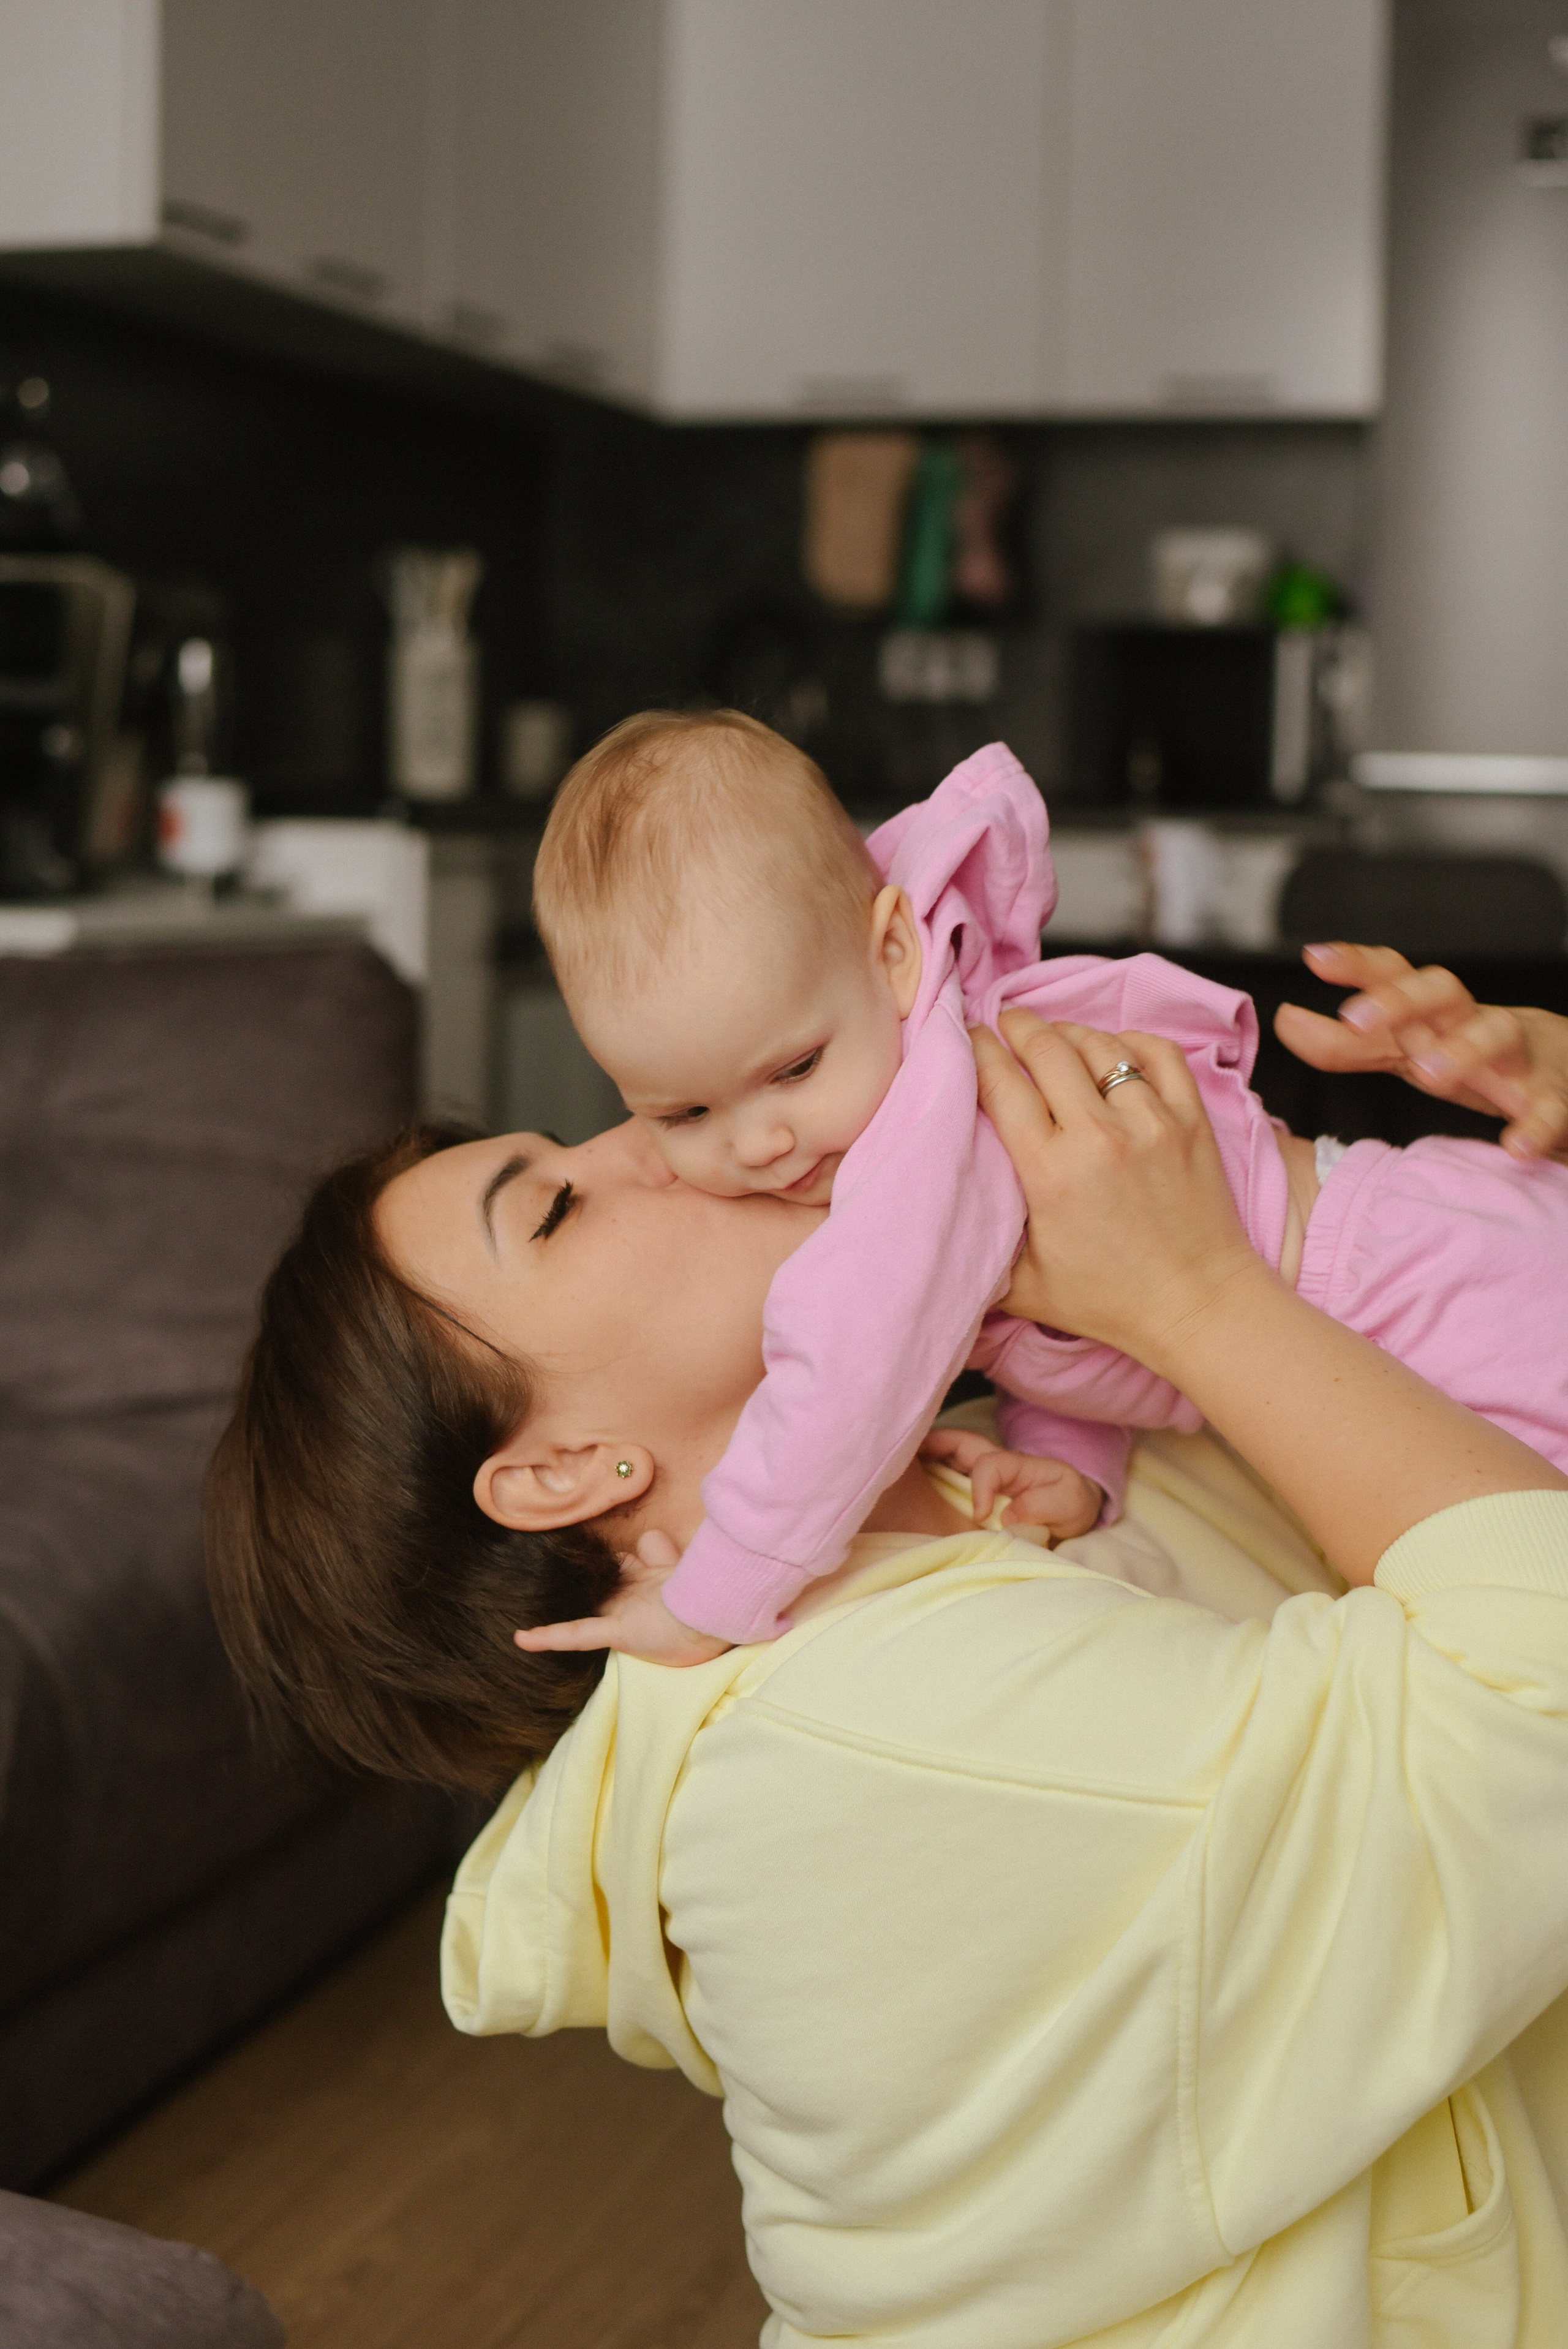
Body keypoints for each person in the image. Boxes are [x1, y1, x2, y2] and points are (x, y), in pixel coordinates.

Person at [206, 1003, 1568, 2347]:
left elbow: (1478, 1472)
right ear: (564, 1472)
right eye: (556, 1209)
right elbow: (1535, 1667)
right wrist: (1190, 1291)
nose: (647, 1137)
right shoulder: (866, 1738)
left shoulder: (1023, 1471)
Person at [522, 709, 1568, 1661]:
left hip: (1411, 1285)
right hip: (1374, 1295)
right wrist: (1072, 1455)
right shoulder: (880, 1087)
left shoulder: (924, 1125)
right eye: (686, 1115)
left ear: (891, 952)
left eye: (791, 1070)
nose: (761, 1143)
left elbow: (854, 1363)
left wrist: (717, 1592)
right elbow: (1072, 1311)